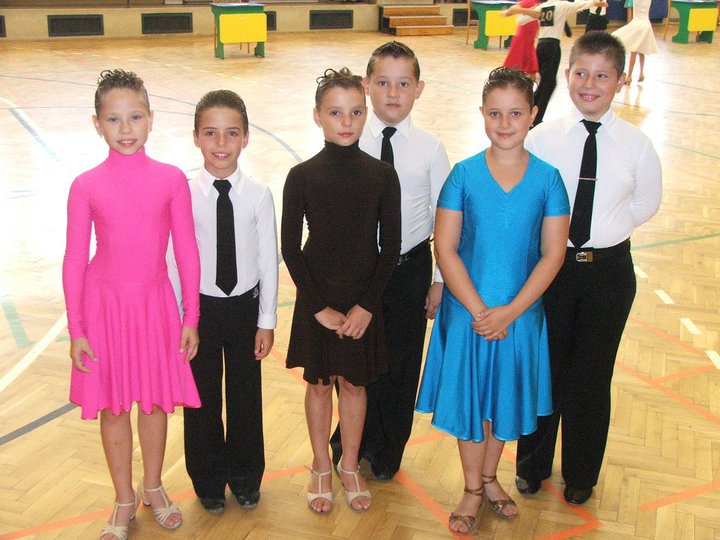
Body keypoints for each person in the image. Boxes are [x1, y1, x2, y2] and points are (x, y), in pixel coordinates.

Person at [415, 67, 570, 536]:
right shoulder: (463, 175)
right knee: (471, 405)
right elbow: (445, 248)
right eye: (495, 113)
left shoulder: (549, 180)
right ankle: (471, 488)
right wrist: (481, 312)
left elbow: (553, 254)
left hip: (520, 317)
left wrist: (511, 312)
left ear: (533, 114)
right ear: (482, 113)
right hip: (468, 315)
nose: (505, 123)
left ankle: (489, 477)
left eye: (515, 113)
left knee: (502, 401)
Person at [515, 31, 662, 506]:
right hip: (551, 270)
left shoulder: (637, 144)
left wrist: (602, 233)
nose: (590, 84)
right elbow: (528, 200)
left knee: (592, 376)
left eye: (602, 75)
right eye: (581, 73)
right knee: (544, 370)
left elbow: (645, 204)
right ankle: (532, 466)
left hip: (607, 274)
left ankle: (581, 473)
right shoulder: (542, 139)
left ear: (619, 81)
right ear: (567, 75)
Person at [62, 69, 201, 540]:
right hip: (105, 310)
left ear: (151, 119)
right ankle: (124, 497)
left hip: (155, 307)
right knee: (114, 406)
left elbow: (186, 251)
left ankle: (153, 486)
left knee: (155, 402)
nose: (126, 129)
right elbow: (74, 259)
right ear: (96, 124)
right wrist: (77, 330)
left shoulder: (171, 179)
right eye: (114, 119)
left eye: (135, 117)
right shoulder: (85, 185)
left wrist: (191, 316)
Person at [329, 40, 451, 481]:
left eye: (403, 84)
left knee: (400, 362)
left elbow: (445, 217)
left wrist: (439, 279)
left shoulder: (431, 149)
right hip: (357, 272)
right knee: (354, 362)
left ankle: (387, 451)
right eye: (382, 83)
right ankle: (350, 441)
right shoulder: (347, 139)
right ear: (366, 85)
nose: (392, 93)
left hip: (407, 269)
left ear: (419, 89)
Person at [281, 67, 401, 514]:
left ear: (365, 113)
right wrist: (317, 308)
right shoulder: (301, 176)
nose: (346, 122)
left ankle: (349, 464)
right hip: (319, 298)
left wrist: (367, 306)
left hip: (362, 299)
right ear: (318, 116)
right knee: (318, 384)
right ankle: (320, 465)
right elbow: (290, 248)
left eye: (355, 112)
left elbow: (391, 247)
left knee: (354, 384)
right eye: (335, 112)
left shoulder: (382, 175)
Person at [172, 90, 278, 515]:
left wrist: (266, 319)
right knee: (201, 398)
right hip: (200, 310)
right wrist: (182, 318)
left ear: (246, 137)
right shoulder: (183, 194)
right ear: (196, 137)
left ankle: (247, 477)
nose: (221, 143)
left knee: (245, 396)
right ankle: (208, 480)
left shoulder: (258, 194)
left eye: (231, 133)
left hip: (244, 309)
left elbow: (268, 260)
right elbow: (174, 258)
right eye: (211, 133)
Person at [532, 0, 608, 127]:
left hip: (540, 46)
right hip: (552, 47)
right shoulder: (561, 5)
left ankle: (533, 113)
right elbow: (578, 5)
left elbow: (522, 20)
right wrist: (595, 3)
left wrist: (521, 10)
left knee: (546, 83)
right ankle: (535, 118)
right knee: (548, 84)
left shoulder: (543, 6)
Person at [612, 0, 658, 84]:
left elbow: (630, 11)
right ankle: (641, 73)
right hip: (645, 25)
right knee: (641, 51)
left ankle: (630, 76)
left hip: (637, 25)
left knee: (635, 50)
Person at [503, 0, 542, 79]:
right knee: (513, 71)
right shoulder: (529, 1)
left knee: (531, 71)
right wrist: (529, 11)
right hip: (521, 41)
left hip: (529, 42)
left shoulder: (542, 4)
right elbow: (510, 11)